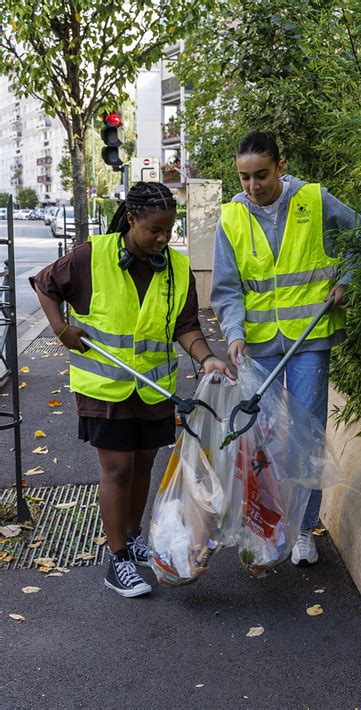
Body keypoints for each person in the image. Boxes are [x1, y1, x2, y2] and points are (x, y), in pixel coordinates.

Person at [32, 181, 233, 597]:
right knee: (118, 468)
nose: (162, 239)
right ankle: (118, 558)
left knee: (143, 464)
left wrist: (207, 357)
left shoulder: (176, 268)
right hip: (105, 387)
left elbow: (186, 326)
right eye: (154, 231)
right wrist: (61, 328)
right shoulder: (94, 255)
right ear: (131, 219)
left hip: (155, 389)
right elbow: (45, 283)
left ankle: (133, 535)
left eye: (167, 230)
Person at [211, 130, 361, 566]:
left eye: (261, 175)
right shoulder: (231, 219)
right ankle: (269, 523)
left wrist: (345, 282)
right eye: (244, 178)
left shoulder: (314, 200)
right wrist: (234, 332)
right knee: (261, 438)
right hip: (257, 346)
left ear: (280, 167)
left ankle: (301, 529)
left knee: (306, 435)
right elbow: (226, 289)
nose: (253, 186)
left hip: (309, 340)